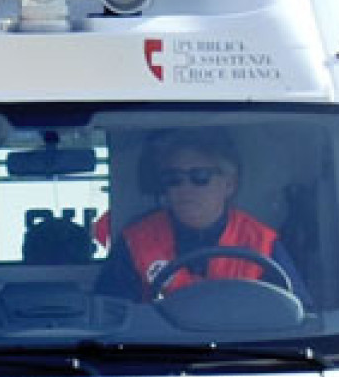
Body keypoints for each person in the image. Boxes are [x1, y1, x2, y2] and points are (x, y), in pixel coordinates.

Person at [94, 129, 307, 302]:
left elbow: (297, 316)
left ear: (229, 184)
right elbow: (110, 317)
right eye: (174, 179)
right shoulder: (136, 241)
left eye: (200, 177)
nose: (185, 188)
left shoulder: (263, 243)